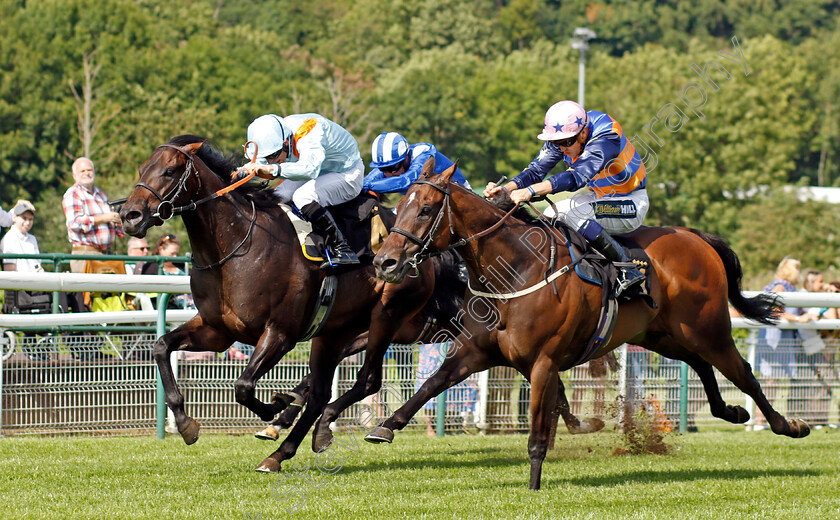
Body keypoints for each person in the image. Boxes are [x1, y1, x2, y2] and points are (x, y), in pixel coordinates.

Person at [483, 100, 647, 297]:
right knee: (551, 213)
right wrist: (506, 189)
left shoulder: (606, 135)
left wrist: (531, 192)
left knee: (572, 213)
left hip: (630, 202)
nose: (562, 148)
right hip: (600, 197)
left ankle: (626, 268)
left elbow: (576, 177)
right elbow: (536, 171)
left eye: (567, 143)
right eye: (556, 143)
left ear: (584, 133)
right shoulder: (564, 137)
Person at [237, 113, 363, 269]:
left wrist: (271, 169)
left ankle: (342, 248)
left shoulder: (308, 131)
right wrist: (234, 174)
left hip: (347, 174)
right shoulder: (274, 139)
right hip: (322, 171)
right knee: (276, 197)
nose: (271, 161)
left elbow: (310, 169)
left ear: (286, 142)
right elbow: (257, 168)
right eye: (267, 157)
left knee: (303, 196)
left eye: (274, 156)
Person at [752, 257, 818, 431]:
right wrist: (798, 318)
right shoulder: (781, 285)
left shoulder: (789, 287)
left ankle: (763, 420)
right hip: (775, 339)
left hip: (783, 339)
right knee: (770, 380)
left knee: (773, 381)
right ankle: (760, 421)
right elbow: (774, 310)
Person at [1, 204, 51, 359]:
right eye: (24, 218)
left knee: (70, 293)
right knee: (59, 295)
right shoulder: (9, 239)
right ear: (14, 218)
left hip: (35, 283)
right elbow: (10, 271)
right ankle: (68, 334)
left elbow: (37, 266)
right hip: (23, 286)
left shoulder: (32, 239)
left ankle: (77, 334)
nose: (28, 222)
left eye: (30, 219)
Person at [62, 157, 124, 273]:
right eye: (83, 171)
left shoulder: (101, 194)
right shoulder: (73, 193)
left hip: (106, 254)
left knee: (108, 290)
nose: (87, 173)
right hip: (85, 254)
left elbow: (113, 223)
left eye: (89, 170)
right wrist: (103, 218)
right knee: (87, 290)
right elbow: (74, 224)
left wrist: (118, 222)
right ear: (74, 175)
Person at [363, 132, 472, 196]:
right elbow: (365, 182)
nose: (388, 174)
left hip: (459, 196)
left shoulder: (424, 154)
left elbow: (405, 181)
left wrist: (366, 186)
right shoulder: (393, 164)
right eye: (383, 169)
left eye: (393, 168)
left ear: (406, 158)